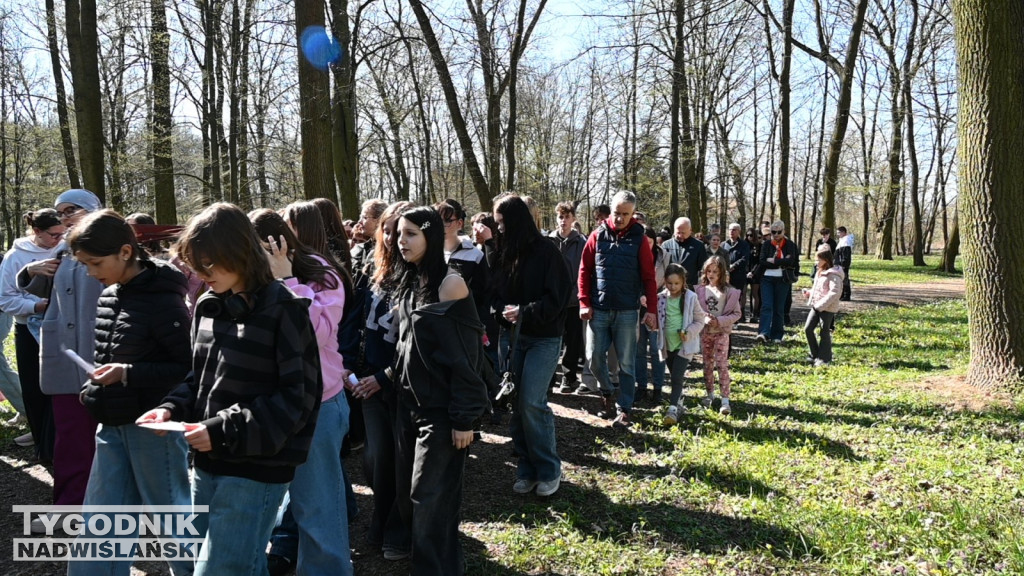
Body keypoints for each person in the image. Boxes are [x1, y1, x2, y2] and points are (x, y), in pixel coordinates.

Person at [137, 203, 322, 576]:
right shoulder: (208, 306)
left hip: (258, 468)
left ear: (239, 252)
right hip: (208, 463)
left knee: (221, 569)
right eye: (195, 265)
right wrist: (172, 408)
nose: (202, 276)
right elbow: (200, 379)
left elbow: (298, 397)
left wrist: (222, 429)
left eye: (209, 264)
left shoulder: (284, 309)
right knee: (219, 565)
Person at [65, 210, 194, 576]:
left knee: (173, 519)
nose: (90, 272)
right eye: (84, 264)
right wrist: (97, 386)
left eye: (94, 262)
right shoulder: (110, 295)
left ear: (125, 251)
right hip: (112, 425)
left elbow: (187, 369)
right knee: (101, 521)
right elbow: (112, 355)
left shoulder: (164, 301)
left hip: (154, 428)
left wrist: (129, 374)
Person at [387, 207, 492, 575]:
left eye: (412, 233)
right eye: (399, 234)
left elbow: (466, 360)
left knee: (430, 499)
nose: (402, 242)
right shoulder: (410, 280)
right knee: (408, 497)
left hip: (442, 413)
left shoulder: (450, 283)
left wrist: (464, 419)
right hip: (406, 406)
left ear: (431, 236)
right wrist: (384, 379)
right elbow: (407, 348)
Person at [251, 209, 354, 576]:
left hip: (319, 405)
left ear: (277, 244)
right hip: (272, 405)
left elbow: (318, 335)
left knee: (318, 507)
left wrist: (289, 282)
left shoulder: (322, 274)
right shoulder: (253, 276)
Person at [19, 189, 104, 531]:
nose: (64, 217)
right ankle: (69, 510)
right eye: (59, 212)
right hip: (65, 360)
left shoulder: (111, 245)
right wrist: (32, 270)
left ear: (92, 210)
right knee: (70, 439)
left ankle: (111, 510)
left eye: (72, 210)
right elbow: (39, 291)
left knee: (108, 441)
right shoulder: (63, 250)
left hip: (101, 359)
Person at [494, 195, 570, 497]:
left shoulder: (547, 252)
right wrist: (502, 311)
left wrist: (526, 311)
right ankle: (526, 466)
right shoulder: (507, 253)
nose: (498, 229)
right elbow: (496, 291)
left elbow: (559, 299)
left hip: (545, 337)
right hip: (516, 337)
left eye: (501, 223)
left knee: (531, 402)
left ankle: (549, 468)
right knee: (516, 403)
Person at [353, 201, 414, 561]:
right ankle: (381, 513)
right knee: (375, 458)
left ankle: (396, 527)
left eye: (403, 232)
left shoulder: (424, 278)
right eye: (388, 230)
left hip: (402, 386)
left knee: (401, 460)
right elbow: (357, 323)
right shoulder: (372, 270)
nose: (393, 238)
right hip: (368, 380)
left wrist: (384, 376)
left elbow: (416, 345)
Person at [577, 191, 658, 428]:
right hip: (598, 309)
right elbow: (584, 270)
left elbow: (649, 277)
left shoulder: (640, 239)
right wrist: (584, 302)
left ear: (632, 214)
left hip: (626, 311)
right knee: (593, 358)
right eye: (616, 213)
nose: (620, 218)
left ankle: (624, 408)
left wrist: (651, 310)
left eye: (625, 214)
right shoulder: (596, 235)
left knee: (626, 363)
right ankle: (607, 391)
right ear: (610, 211)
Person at [0, 209, 65, 455]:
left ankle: (59, 443)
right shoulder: (15, 256)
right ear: (36, 231)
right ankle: (43, 445)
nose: (59, 239)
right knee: (35, 390)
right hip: (28, 330)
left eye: (62, 233)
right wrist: (36, 306)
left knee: (60, 391)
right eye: (53, 235)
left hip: (61, 328)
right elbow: (5, 299)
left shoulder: (65, 247)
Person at [656, 264, 703, 426]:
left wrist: (688, 332)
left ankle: (673, 409)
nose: (673, 287)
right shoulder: (661, 298)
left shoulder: (690, 297)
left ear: (683, 282)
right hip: (667, 345)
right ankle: (679, 402)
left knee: (676, 377)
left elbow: (700, 320)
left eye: (677, 283)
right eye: (670, 283)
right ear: (665, 282)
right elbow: (655, 322)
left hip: (684, 345)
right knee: (673, 375)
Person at [695, 256, 741, 415]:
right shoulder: (700, 291)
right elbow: (697, 311)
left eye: (715, 271)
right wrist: (705, 318)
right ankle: (710, 395)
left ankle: (725, 400)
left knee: (721, 364)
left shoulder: (730, 292)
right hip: (705, 333)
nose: (711, 274)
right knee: (707, 364)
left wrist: (720, 321)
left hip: (721, 333)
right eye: (709, 271)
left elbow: (736, 314)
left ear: (722, 272)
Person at [548, 201, 586, 393]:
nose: (563, 221)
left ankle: (569, 377)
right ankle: (549, 376)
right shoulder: (549, 241)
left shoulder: (581, 243)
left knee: (572, 341)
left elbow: (583, 271)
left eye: (567, 217)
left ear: (573, 219)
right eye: (560, 217)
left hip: (572, 300)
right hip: (552, 299)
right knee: (552, 338)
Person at [635, 227, 669, 404]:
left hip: (657, 306)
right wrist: (638, 295)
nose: (645, 245)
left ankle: (657, 389)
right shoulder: (634, 253)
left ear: (654, 241)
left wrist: (654, 296)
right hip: (636, 307)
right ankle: (641, 386)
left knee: (657, 350)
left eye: (648, 241)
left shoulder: (664, 256)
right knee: (639, 351)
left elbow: (671, 281)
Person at [755, 221, 798, 344]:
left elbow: (791, 261)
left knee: (779, 307)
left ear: (784, 231)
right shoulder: (767, 244)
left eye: (779, 232)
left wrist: (774, 261)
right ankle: (763, 333)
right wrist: (781, 261)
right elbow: (762, 261)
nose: (776, 234)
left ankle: (777, 335)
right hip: (767, 278)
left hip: (783, 279)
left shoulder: (790, 244)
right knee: (766, 306)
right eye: (774, 232)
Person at [803, 244, 844, 366]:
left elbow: (835, 293)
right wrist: (809, 293)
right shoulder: (819, 272)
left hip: (827, 308)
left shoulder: (833, 275)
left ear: (825, 260)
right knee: (808, 329)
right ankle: (815, 354)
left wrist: (821, 305)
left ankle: (825, 358)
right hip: (816, 306)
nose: (816, 262)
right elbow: (819, 289)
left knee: (824, 331)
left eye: (818, 259)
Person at [661, 217, 707, 288]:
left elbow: (703, 268)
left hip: (690, 287)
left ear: (690, 230)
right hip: (670, 287)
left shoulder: (699, 246)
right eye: (678, 232)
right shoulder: (665, 245)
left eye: (683, 233)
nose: (680, 235)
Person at [726, 223, 751, 323]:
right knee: (726, 297)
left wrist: (734, 266)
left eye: (734, 230)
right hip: (726, 275)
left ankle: (736, 319)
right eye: (730, 229)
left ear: (739, 232)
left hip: (738, 275)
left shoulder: (744, 244)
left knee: (736, 297)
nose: (732, 232)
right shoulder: (724, 244)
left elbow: (745, 259)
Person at [836, 226, 853, 301]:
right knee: (841, 279)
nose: (838, 234)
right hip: (840, 264)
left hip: (843, 265)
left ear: (843, 232)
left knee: (845, 279)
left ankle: (846, 295)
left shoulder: (846, 242)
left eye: (839, 233)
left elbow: (845, 255)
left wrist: (843, 265)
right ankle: (842, 294)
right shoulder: (842, 241)